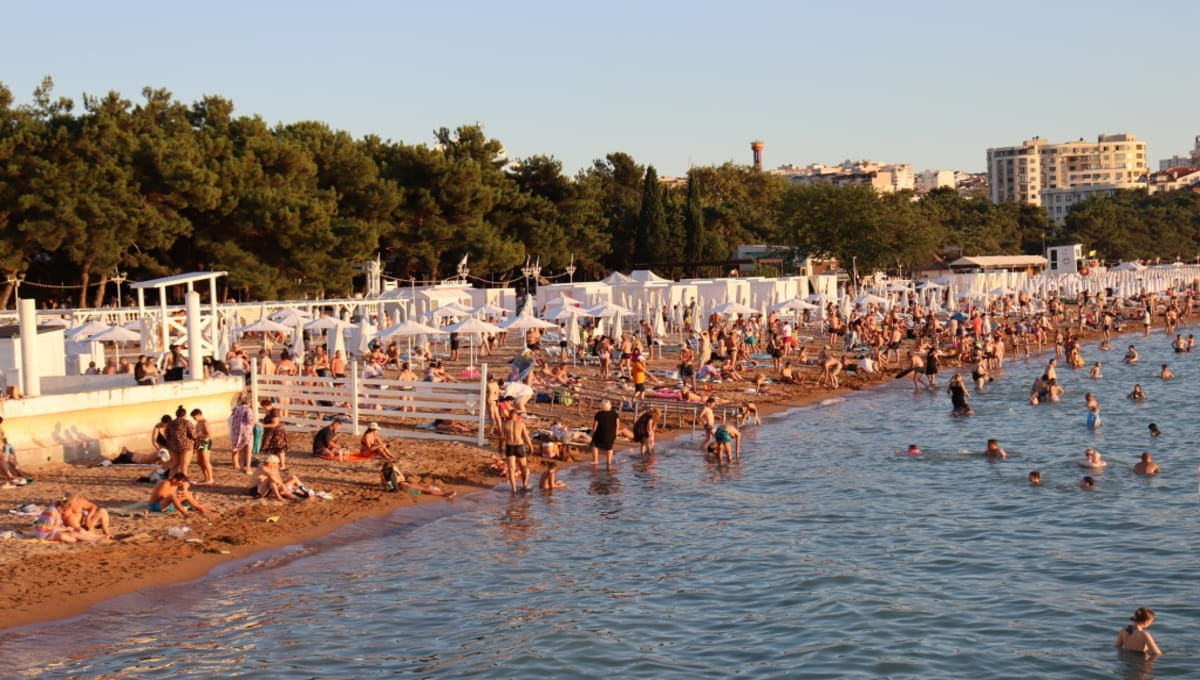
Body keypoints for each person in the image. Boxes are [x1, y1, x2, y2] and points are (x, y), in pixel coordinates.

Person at [148, 473, 212, 517]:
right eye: (179, 483)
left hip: (168, 505)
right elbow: (160, 498)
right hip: (156, 506)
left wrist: (183, 491)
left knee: (186, 494)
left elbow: (186, 485)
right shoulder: (165, 484)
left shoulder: (175, 484)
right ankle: (185, 514)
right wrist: (176, 497)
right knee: (173, 496)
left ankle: (201, 508)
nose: (179, 485)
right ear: (174, 480)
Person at [502, 411, 534, 492]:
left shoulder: (505, 424)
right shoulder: (521, 424)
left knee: (511, 468)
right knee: (523, 466)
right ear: (516, 416)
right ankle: (525, 485)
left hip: (509, 446)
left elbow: (502, 437)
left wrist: (500, 446)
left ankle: (514, 489)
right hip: (519, 446)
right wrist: (531, 446)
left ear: (509, 415)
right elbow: (526, 437)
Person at [166, 406, 196, 478]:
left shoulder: (170, 423)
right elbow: (193, 435)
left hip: (174, 446)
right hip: (186, 446)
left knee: (175, 464)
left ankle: (170, 480)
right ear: (185, 414)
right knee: (184, 466)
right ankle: (183, 483)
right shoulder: (187, 422)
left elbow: (167, 435)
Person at [260, 398, 290, 469]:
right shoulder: (270, 411)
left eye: (264, 407)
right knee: (274, 449)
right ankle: (276, 465)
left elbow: (275, 424)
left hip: (277, 432)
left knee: (279, 449)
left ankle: (282, 465)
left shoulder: (274, 411)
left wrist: (262, 425)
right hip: (272, 432)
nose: (264, 409)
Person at [229, 396, 256, 472]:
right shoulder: (248, 409)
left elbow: (234, 421)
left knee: (241, 450)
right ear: (249, 403)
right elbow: (250, 421)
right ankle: (248, 467)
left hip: (237, 433)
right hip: (247, 432)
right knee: (248, 450)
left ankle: (241, 466)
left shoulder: (237, 409)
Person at [590, 400, 619, 468]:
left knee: (594, 444)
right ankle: (609, 462)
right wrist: (616, 432)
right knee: (609, 447)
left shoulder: (599, 414)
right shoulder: (615, 414)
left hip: (601, 433)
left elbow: (595, 426)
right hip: (611, 434)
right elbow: (617, 425)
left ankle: (595, 460)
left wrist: (593, 433)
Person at [190, 409, 214, 484]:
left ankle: (210, 478)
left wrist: (200, 435)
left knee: (206, 461)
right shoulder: (198, 423)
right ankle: (206, 477)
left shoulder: (205, 423)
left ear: (199, 415)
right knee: (200, 461)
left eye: (194, 417)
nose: (194, 419)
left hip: (205, 442)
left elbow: (209, 434)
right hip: (200, 442)